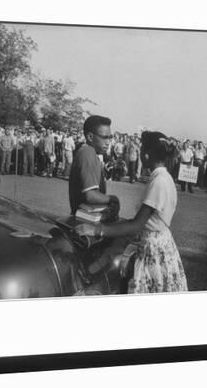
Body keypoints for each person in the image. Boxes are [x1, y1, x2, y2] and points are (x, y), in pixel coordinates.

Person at [74, 131, 188, 293]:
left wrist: (96, 230)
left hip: (153, 247)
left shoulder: (159, 181)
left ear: (146, 155)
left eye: (141, 150)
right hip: (156, 240)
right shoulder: (163, 177)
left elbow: (136, 225)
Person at [68, 115, 120, 217]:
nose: (108, 142)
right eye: (104, 137)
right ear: (90, 137)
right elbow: (90, 195)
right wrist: (113, 199)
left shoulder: (87, 151)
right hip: (84, 219)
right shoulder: (88, 152)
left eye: (110, 137)